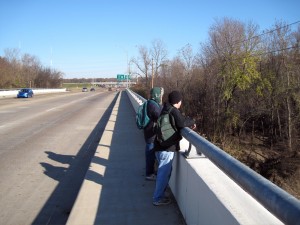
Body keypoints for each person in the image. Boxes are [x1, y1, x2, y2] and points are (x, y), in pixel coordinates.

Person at [152, 90, 196, 206]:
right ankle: (157, 198)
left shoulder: (164, 108)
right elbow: (181, 123)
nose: (181, 102)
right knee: (163, 174)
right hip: (166, 148)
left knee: (165, 172)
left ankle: (160, 193)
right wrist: (192, 121)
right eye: (180, 100)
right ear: (178, 101)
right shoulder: (174, 111)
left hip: (159, 145)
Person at [144, 87, 164, 181]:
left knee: (151, 153)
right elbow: (160, 117)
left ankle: (150, 171)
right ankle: (149, 174)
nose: (161, 96)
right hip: (151, 133)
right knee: (150, 154)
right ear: (157, 95)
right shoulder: (153, 105)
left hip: (149, 132)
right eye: (161, 94)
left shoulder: (151, 103)